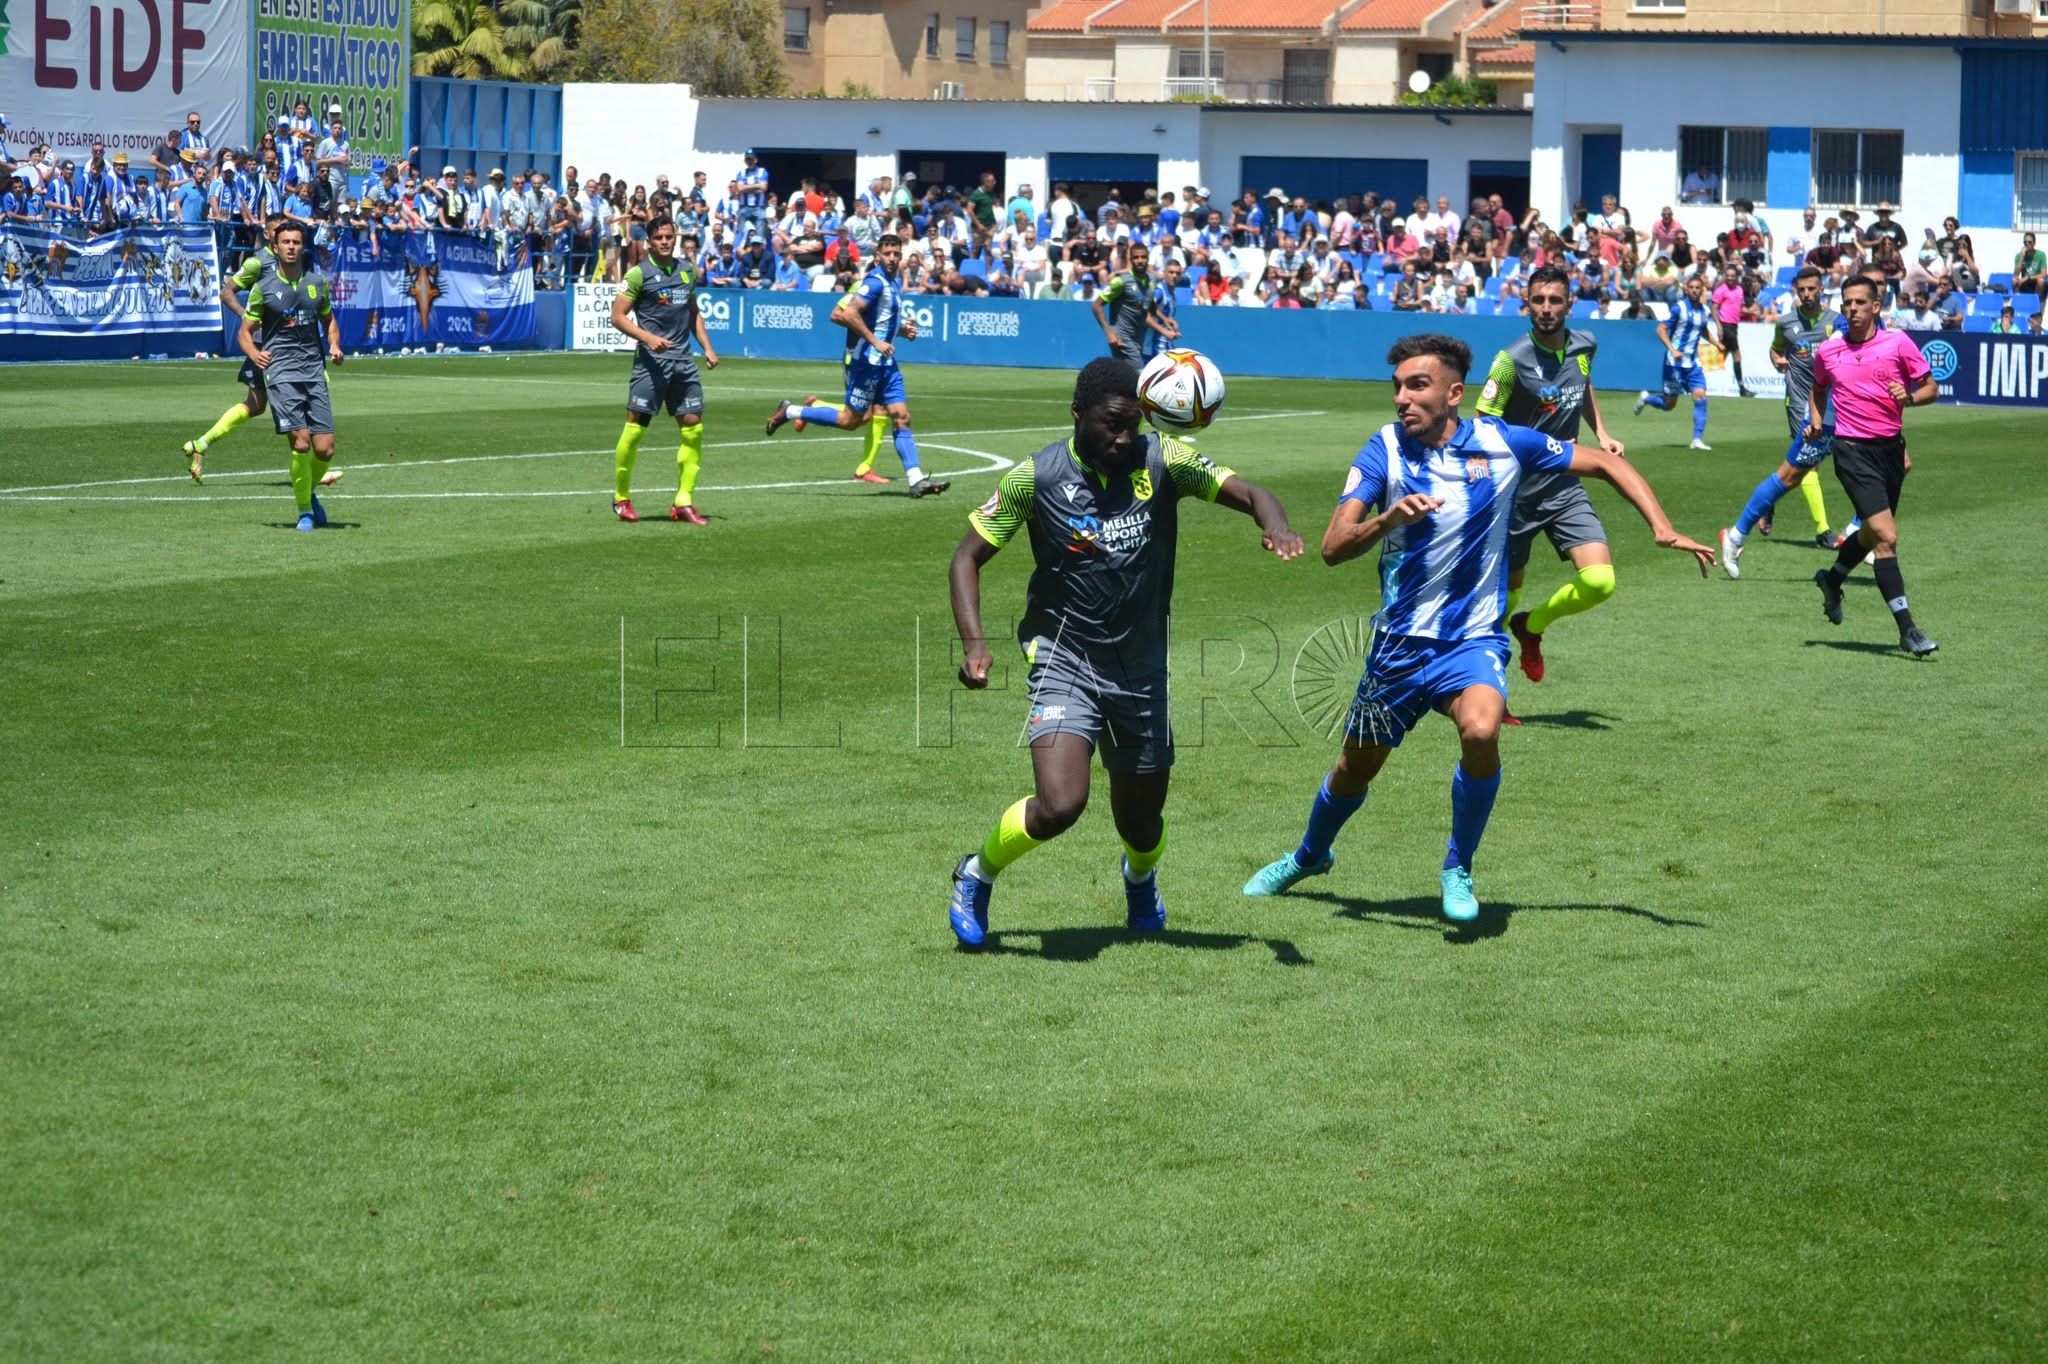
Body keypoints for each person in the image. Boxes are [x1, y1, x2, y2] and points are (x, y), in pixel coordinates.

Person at [1243, 333, 1714, 922]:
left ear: (1454, 393)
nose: (1402, 400)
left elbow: (1604, 461)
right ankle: (1310, 855)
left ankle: (1457, 865)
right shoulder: (1383, 450)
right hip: (1398, 646)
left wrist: (1662, 528)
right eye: (1397, 387)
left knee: (1482, 730)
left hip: (1473, 640)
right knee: (1353, 768)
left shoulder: (1503, 442)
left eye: (1417, 386)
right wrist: (1390, 517)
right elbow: (1334, 548)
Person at [945, 358, 1304, 948]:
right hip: (1064, 659)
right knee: (1062, 803)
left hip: (1140, 671)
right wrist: (975, 645)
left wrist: (1276, 524)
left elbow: (1250, 492)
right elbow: (966, 558)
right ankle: (976, 873)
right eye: (1111, 425)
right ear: (1077, 415)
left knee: (1141, 825)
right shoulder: (1034, 477)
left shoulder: (1165, 459)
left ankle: (1140, 879)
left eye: (1132, 426)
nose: (1123, 437)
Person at [1473, 265, 1628, 698]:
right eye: (1538, 300)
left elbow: (1582, 386)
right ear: (1527, 302)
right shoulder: (1509, 360)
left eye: (1554, 300)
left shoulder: (1585, 344)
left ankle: (1533, 626)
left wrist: (1602, 433)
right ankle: (1492, 697)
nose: (1545, 309)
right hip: (1515, 498)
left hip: (1564, 486)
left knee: (1600, 581)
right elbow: (1483, 423)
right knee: (1502, 604)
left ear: (1569, 304)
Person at [1809, 277, 1940, 656]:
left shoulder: (1897, 342)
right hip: (1851, 451)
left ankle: (1831, 580)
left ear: (1875, 307)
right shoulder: (1830, 350)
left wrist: (1911, 398)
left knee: (1870, 534)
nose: (1851, 309)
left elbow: (1931, 388)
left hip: (1890, 451)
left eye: (1859, 303)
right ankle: (1908, 629)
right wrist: (1817, 421)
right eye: (1847, 302)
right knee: (1886, 536)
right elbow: (1818, 387)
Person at [763, 234, 950, 497]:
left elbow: (880, 321)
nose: (892, 258)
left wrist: (900, 331)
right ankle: (792, 411)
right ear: (877, 256)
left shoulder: (893, 282)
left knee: (902, 416)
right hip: (867, 363)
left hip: (886, 364)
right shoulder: (873, 282)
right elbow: (847, 313)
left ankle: (916, 479)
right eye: (887, 253)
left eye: (896, 253)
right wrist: (874, 341)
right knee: (850, 420)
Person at [183, 215, 344, 490]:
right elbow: (227, 291)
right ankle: (311, 469)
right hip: (267, 346)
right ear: (270, 236)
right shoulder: (258, 263)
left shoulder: (298, 268)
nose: (288, 243)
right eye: (277, 234)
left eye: (294, 240)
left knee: (257, 405)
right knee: (282, 406)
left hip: (296, 348)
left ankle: (201, 443)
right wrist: (248, 317)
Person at [1718, 267, 1845, 578]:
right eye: (1801, 290)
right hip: (1801, 403)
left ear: (1821, 290)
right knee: (1807, 467)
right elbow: (1775, 350)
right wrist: (1778, 361)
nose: (1806, 295)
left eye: (1812, 289)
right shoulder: (1786, 324)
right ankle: (1824, 530)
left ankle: (1767, 505)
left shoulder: (1835, 322)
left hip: (1835, 406)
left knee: (1801, 471)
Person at [607, 219, 720, 524]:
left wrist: (707, 347)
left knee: (694, 428)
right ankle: (621, 497)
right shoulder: (638, 274)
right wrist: (648, 337)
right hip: (651, 365)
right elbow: (617, 317)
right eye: (659, 237)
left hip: (684, 364)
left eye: (670, 236)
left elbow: (693, 312)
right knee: (635, 429)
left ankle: (683, 501)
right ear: (649, 241)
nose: (665, 241)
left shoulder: (687, 270)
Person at [235, 221, 343, 533]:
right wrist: (255, 355)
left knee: (325, 449)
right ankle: (304, 512)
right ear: (277, 246)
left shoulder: (316, 284)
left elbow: (329, 320)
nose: (292, 247)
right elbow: (245, 332)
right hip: (280, 373)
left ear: (302, 246)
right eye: (286, 242)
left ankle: (307, 488)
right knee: (301, 442)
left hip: (313, 371)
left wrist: (334, 344)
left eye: (296, 241)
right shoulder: (263, 287)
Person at [1634, 272, 1715, 450]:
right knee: (1669, 404)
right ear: (1686, 289)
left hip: (1693, 364)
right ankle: (1647, 398)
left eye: (1697, 288)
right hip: (1674, 364)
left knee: (1700, 396)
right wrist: (1672, 349)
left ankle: (1697, 439)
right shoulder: (1679, 308)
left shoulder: (1705, 310)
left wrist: (1716, 342)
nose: (1694, 291)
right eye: (1691, 288)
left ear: (1702, 290)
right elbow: (1661, 329)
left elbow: (1702, 329)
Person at [1091, 253, 1165, 366]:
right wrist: (1109, 332)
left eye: (1143, 257)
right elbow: (1097, 305)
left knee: (1123, 377)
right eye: (1136, 257)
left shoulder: (1151, 279)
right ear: (1131, 260)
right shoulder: (1120, 281)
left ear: (1148, 259)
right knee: (1138, 374)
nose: (1140, 260)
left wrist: (1165, 319)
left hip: (1137, 338)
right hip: (1121, 338)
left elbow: (1149, 303)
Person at [1712, 267, 1751, 395]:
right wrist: (1719, 327)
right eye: (1728, 275)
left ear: (1736, 276)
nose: (1730, 278)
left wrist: (1751, 311)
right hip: (1726, 326)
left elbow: (1739, 308)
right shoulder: (1721, 290)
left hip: (1734, 326)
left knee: (1720, 356)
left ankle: (1697, 380)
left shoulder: (1739, 289)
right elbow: (1713, 309)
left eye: (1732, 275)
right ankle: (1742, 389)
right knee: (1737, 355)